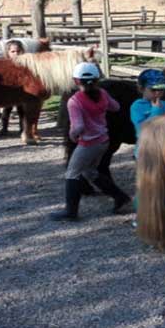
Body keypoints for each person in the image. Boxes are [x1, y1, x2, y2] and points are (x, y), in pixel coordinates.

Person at [50, 62, 131, 221]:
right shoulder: (103, 94)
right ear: (97, 80)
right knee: (90, 172)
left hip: (88, 143)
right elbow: (116, 107)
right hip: (103, 140)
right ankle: (120, 197)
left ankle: (70, 211)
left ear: (76, 81)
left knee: (72, 173)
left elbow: (78, 127)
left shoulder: (75, 101)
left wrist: (73, 135)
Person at [129, 69, 165, 223]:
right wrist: (155, 110)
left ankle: (161, 212)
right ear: (141, 89)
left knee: (163, 183)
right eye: (153, 90)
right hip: (145, 151)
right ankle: (142, 215)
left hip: (164, 150)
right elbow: (143, 129)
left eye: (162, 90)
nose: (158, 93)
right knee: (146, 185)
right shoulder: (137, 106)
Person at [0, 41, 25, 131]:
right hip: (8, 91)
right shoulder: (4, 63)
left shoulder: (24, 63)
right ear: (8, 52)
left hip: (21, 91)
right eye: (13, 52)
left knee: (21, 111)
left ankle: (22, 129)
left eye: (18, 51)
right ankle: (4, 128)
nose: (16, 54)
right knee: (6, 110)